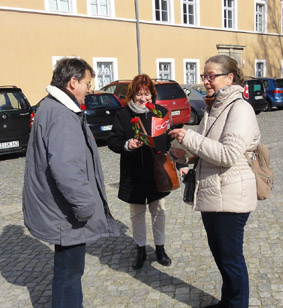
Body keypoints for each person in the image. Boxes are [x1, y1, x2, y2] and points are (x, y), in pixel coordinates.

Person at [22, 57, 119, 308]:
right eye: (87, 83)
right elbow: (66, 169)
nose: (91, 89)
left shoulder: (51, 106)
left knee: (69, 272)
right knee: (69, 274)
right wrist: (86, 207)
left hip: (61, 211)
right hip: (67, 215)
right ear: (72, 82)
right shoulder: (61, 113)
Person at [169, 55, 260, 308]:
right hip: (211, 192)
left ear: (229, 78)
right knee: (221, 256)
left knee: (231, 259)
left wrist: (188, 137)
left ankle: (237, 304)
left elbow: (228, 154)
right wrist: (184, 156)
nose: (206, 82)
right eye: (204, 76)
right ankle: (228, 301)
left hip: (231, 196)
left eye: (211, 76)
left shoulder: (240, 108)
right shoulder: (213, 108)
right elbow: (204, 149)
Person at [108, 74, 173, 270]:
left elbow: (170, 138)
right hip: (134, 172)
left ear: (152, 94)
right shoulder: (123, 114)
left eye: (146, 94)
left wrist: (168, 149)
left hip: (156, 172)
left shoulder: (161, 112)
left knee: (158, 212)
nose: (143, 99)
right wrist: (128, 144)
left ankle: (160, 249)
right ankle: (140, 249)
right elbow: (113, 141)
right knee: (137, 213)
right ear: (132, 95)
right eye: (139, 94)